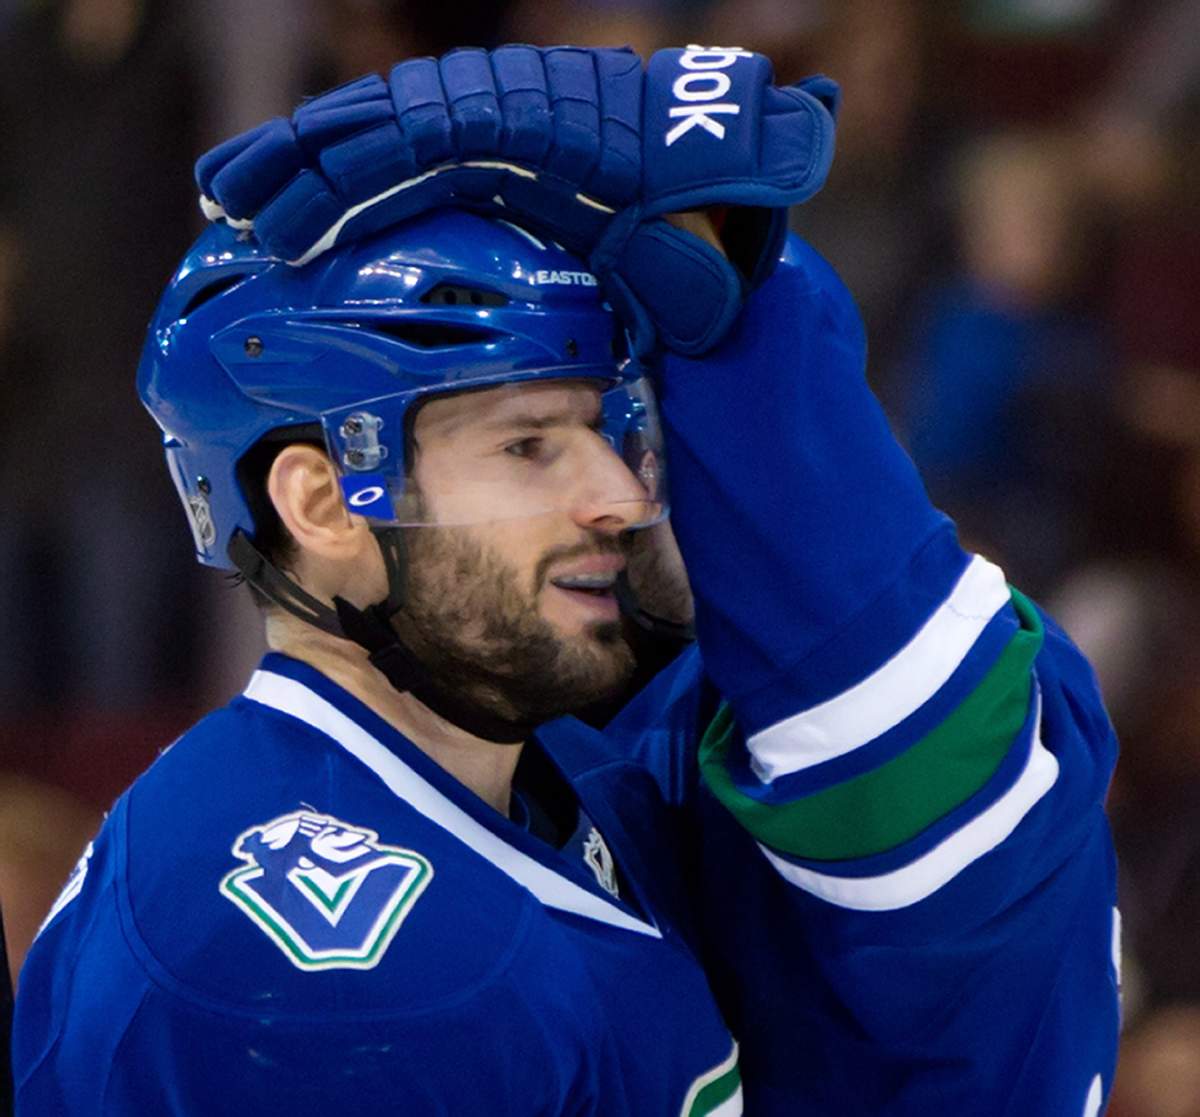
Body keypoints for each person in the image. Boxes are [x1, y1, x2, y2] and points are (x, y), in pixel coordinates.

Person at [12, 45, 1119, 1116]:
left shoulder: (575, 776)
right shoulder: (310, 979)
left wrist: (738, 270)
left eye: (604, 428)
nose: (624, 496)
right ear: (320, 500)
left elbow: (969, 826)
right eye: (528, 444)